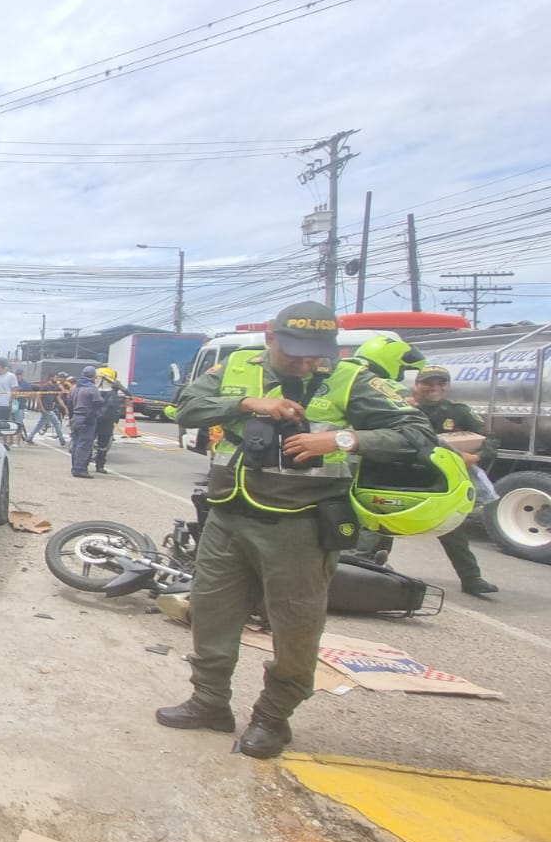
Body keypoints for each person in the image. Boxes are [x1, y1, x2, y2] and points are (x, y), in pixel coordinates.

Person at [156, 301, 438, 759]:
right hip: (228, 516)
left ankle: (273, 718)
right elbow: (184, 408)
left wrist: (341, 439)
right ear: (270, 338)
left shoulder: (352, 379)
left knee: (296, 629)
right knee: (210, 614)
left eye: (315, 354)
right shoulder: (236, 367)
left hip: (300, 527)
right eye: (295, 354)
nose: (307, 363)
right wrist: (246, 403)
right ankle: (209, 702)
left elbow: (418, 434)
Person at [411, 365, 500, 595]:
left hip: (443, 479)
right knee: (385, 523)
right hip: (406, 474)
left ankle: (472, 579)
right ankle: (370, 569)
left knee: (453, 526)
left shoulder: (458, 412)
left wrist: (476, 457)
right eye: (429, 383)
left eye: (441, 383)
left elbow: (490, 439)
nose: (435, 388)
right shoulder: (401, 407)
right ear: (416, 385)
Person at [68, 365, 106, 478]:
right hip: (87, 418)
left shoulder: (75, 387)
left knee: (76, 443)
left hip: (75, 417)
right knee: (84, 444)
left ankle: (75, 467)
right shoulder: (91, 388)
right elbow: (99, 402)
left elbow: (69, 403)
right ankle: (80, 469)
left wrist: (71, 417)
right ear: (93, 376)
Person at [93, 366, 128, 473]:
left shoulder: (112, 395)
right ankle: (89, 464)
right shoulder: (94, 391)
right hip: (96, 423)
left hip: (103, 424)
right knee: (89, 444)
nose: (96, 380)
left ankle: (100, 465)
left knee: (102, 446)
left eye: (98, 378)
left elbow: (108, 411)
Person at [0, 361, 24, 447]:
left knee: (4, 423)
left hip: (5, 403)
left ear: (4, 367)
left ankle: (5, 442)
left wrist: (11, 401)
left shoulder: (11, 376)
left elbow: (14, 389)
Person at [32, 373, 69, 444]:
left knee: (40, 424)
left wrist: (65, 407)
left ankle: (30, 437)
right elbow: (38, 397)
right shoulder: (46, 387)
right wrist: (41, 408)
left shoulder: (55, 387)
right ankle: (62, 440)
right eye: (55, 377)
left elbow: (59, 396)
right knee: (57, 423)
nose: (57, 379)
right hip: (47, 408)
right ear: (51, 378)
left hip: (49, 408)